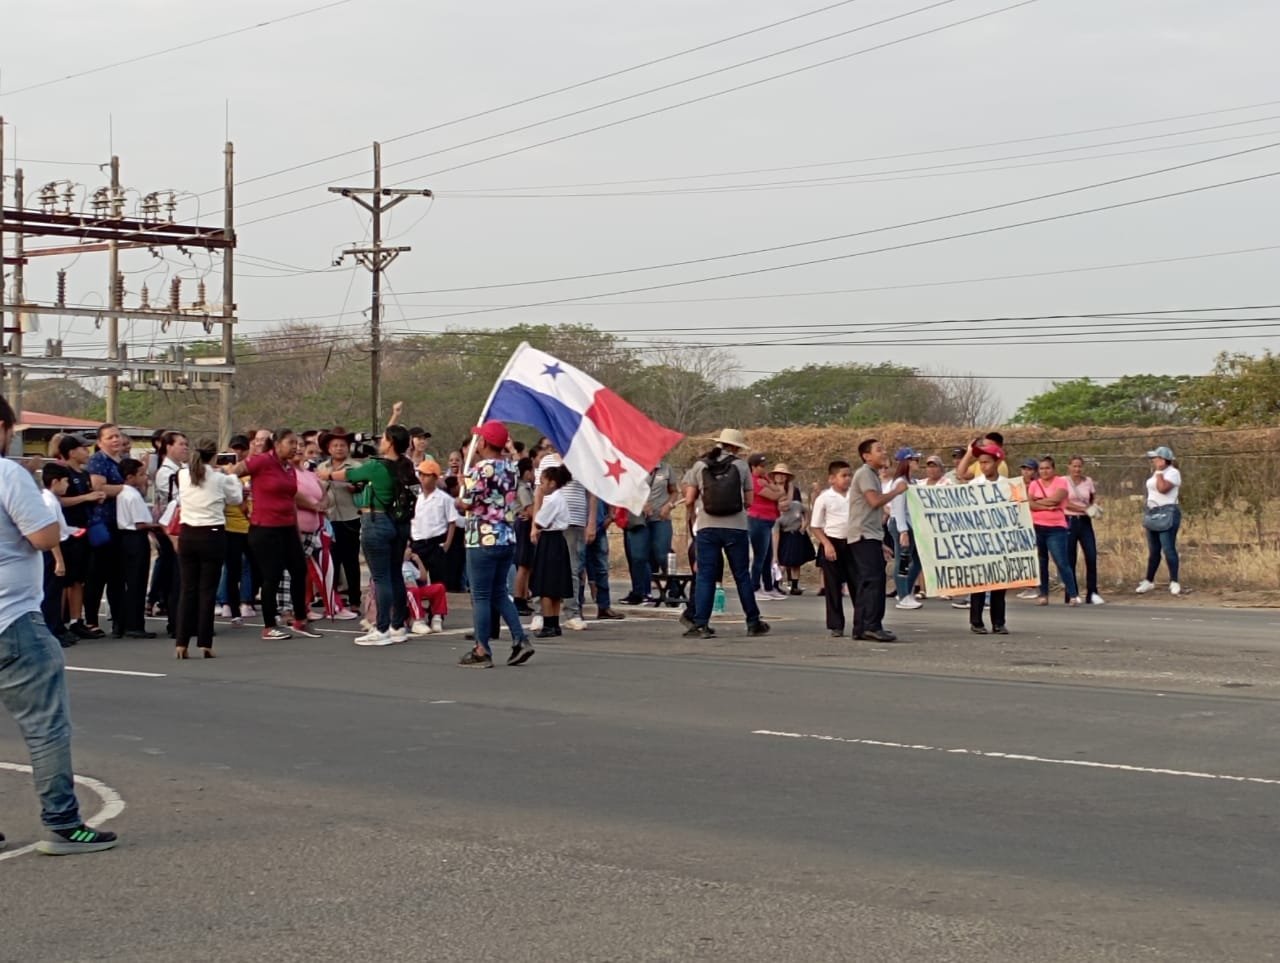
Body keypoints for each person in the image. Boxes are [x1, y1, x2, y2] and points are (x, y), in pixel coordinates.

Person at [0, 395, 120, 855]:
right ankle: (64, 823)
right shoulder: (9, 474)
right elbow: (43, 536)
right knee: (45, 725)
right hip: (12, 617)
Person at [320, 425, 416, 646]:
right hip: (399, 523)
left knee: (381, 577)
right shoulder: (406, 465)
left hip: (376, 520)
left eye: (383, 438)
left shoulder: (376, 466)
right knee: (395, 575)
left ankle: (381, 628)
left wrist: (324, 473)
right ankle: (398, 626)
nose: (380, 441)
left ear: (390, 442)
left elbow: (347, 474)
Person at [231, 430, 323, 641]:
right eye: (291, 443)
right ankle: (269, 625)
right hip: (265, 528)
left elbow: (291, 496)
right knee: (272, 575)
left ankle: (300, 619)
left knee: (299, 570)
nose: (295, 447)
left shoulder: (288, 467)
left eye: (297, 443)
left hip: (288, 526)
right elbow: (233, 474)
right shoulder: (261, 461)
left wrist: (303, 517)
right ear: (277, 444)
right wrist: (241, 501)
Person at [455, 420, 532, 668]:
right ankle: (520, 638)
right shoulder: (511, 468)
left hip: (482, 536)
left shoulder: (480, 469)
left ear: (485, 443)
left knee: (481, 595)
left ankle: (482, 648)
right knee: (499, 592)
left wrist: (462, 488)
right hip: (505, 535)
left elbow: (465, 502)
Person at [682, 428, 769, 640]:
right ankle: (752, 621)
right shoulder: (741, 466)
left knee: (705, 576)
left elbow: (689, 499)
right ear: (737, 447)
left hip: (707, 527)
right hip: (736, 526)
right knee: (741, 575)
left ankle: (701, 623)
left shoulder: (700, 465)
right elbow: (749, 500)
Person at [175, 440, 243, 658]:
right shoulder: (221, 478)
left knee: (188, 590)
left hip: (187, 533)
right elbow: (236, 499)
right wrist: (231, 474)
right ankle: (205, 643)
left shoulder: (182, 475)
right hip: (212, 534)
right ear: (214, 456)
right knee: (207, 591)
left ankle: (181, 642)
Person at [846, 439, 908, 643]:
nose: (884, 452)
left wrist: (879, 541)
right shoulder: (865, 473)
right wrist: (896, 492)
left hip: (867, 535)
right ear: (866, 456)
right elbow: (874, 502)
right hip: (864, 535)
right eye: (878, 450)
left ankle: (861, 626)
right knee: (874, 581)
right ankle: (872, 625)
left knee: (867, 581)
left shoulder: (871, 475)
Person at [54, 435, 103, 641]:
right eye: (83, 448)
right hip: (68, 532)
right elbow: (59, 501)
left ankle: (76, 620)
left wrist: (95, 498)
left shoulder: (84, 474)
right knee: (66, 579)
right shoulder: (62, 474)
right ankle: (59, 620)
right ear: (72, 452)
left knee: (79, 579)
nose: (87, 452)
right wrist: (85, 497)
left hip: (84, 530)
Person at [84, 424, 128, 639]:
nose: (116, 440)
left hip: (121, 524)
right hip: (103, 524)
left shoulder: (121, 461)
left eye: (117, 436)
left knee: (118, 576)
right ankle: (91, 620)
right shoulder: (98, 461)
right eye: (110, 437)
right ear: (100, 442)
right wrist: (125, 489)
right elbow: (98, 487)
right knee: (97, 575)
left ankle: (120, 620)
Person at [620, 460, 680, 606]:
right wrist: (640, 503)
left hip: (661, 518)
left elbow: (674, 491)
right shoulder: (632, 468)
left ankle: (674, 589)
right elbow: (623, 492)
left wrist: (669, 505)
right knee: (638, 556)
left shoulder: (666, 468)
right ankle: (640, 592)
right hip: (639, 517)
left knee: (662, 553)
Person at [319, 427, 363, 618]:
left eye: (342, 445)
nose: (339, 448)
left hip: (350, 517)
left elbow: (361, 488)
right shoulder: (321, 469)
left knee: (351, 561)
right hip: (330, 519)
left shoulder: (355, 467)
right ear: (329, 448)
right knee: (331, 562)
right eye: (335, 445)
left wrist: (354, 486)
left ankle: (354, 601)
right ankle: (333, 600)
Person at [968, 443, 1012, 635]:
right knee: (979, 583)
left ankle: (998, 622)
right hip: (980, 540)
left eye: (987, 462)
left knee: (999, 584)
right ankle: (976, 621)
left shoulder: (1008, 486)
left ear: (997, 462)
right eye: (981, 462)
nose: (984, 466)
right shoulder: (974, 485)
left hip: (1000, 540)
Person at [1028, 455, 1081, 606]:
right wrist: (1045, 506)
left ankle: (1073, 594)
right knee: (1041, 561)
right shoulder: (1034, 484)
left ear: (1053, 469)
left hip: (1056, 528)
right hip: (1037, 525)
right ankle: (1043, 593)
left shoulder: (1061, 482)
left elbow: (1056, 499)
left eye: (1047, 468)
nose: (1044, 471)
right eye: (1041, 469)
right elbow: (1029, 503)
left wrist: (1039, 502)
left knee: (1061, 561)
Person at [531, 463, 575, 644]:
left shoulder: (554, 500)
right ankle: (554, 623)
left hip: (550, 540)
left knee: (547, 585)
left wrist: (538, 499)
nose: (540, 486)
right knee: (554, 586)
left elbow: (540, 521)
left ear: (552, 483)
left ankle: (549, 624)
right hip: (557, 540)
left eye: (542, 482)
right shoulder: (559, 498)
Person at [811, 460, 853, 638]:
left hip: (852, 542)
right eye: (843, 476)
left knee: (857, 583)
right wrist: (827, 544)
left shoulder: (854, 495)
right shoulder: (824, 498)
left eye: (849, 475)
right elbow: (815, 526)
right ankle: (836, 624)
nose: (848, 479)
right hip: (832, 541)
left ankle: (863, 622)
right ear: (832, 479)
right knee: (833, 586)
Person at [37, 463, 76, 648]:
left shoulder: (53, 500)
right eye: (66, 481)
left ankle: (57, 627)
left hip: (60, 545)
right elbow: (52, 533)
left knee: (55, 591)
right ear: (55, 481)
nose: (67, 485)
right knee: (51, 593)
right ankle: (50, 630)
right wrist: (59, 561)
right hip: (52, 551)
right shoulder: (49, 502)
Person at [1137, 445, 1182, 596]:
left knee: (1168, 548)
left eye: (1156, 458)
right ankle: (1149, 580)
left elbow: (1163, 489)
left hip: (1167, 512)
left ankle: (1174, 581)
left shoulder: (1173, 473)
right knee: (1154, 549)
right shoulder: (1156, 473)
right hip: (1153, 512)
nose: (1154, 460)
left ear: (1163, 459)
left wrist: (1160, 473)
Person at [408, 457, 456, 587]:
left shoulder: (444, 499)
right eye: (421, 474)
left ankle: (436, 606)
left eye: (427, 475)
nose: (423, 478)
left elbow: (452, 521)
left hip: (436, 543)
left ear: (435, 477)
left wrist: (447, 544)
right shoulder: (415, 497)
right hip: (417, 543)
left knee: (438, 580)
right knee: (415, 579)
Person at [1064, 455, 1105, 605]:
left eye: (1079, 466)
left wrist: (1093, 508)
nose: (1077, 469)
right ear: (1069, 467)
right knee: (1070, 558)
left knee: (1091, 555)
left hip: (1085, 521)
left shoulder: (1088, 481)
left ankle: (1092, 592)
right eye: (1074, 466)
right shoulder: (1063, 481)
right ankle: (1071, 592)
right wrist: (1084, 508)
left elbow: (1092, 498)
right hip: (1069, 520)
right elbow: (1064, 502)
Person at [746, 453, 785, 601]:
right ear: (753, 467)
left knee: (768, 556)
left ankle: (769, 586)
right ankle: (754, 586)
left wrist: (770, 485)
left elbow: (781, 492)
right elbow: (775, 496)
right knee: (759, 556)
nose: (764, 469)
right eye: (761, 466)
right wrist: (774, 489)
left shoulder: (765, 479)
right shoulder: (753, 481)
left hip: (769, 519)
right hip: (758, 520)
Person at [887, 449, 923, 610]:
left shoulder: (913, 482)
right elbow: (898, 508)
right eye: (915, 460)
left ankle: (905, 591)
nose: (917, 463)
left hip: (911, 524)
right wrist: (903, 532)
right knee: (902, 560)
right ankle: (903, 595)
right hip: (901, 524)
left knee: (918, 560)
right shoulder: (899, 483)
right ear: (907, 462)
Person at [772, 464, 814, 596]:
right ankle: (775, 584)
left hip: (794, 526)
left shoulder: (793, 491)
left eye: (783, 474)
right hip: (779, 524)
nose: (780, 476)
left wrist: (804, 524)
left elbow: (803, 510)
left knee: (796, 559)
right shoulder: (771, 488)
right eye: (778, 474)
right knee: (782, 559)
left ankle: (794, 584)